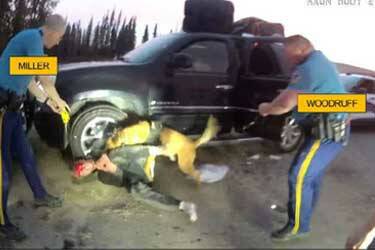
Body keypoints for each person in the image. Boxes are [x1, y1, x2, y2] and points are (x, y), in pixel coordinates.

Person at [258, 35, 350, 241]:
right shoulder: (319, 60)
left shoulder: (309, 69)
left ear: (299, 51)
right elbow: (310, 96)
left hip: (328, 133)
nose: (286, 58)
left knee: (299, 176)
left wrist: (265, 108)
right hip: (329, 127)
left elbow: (284, 105)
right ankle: (302, 210)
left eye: (288, 54)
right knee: (312, 176)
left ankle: (298, 226)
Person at [0, 14, 70, 241]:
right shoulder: (32, 39)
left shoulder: (31, 43)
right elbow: (45, 78)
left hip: (12, 110)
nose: (58, 42)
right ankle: (2, 222)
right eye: (59, 37)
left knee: (26, 154)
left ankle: (40, 195)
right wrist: (58, 100)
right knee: (4, 170)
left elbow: (30, 81)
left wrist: (49, 102)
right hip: (1, 109)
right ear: (51, 31)